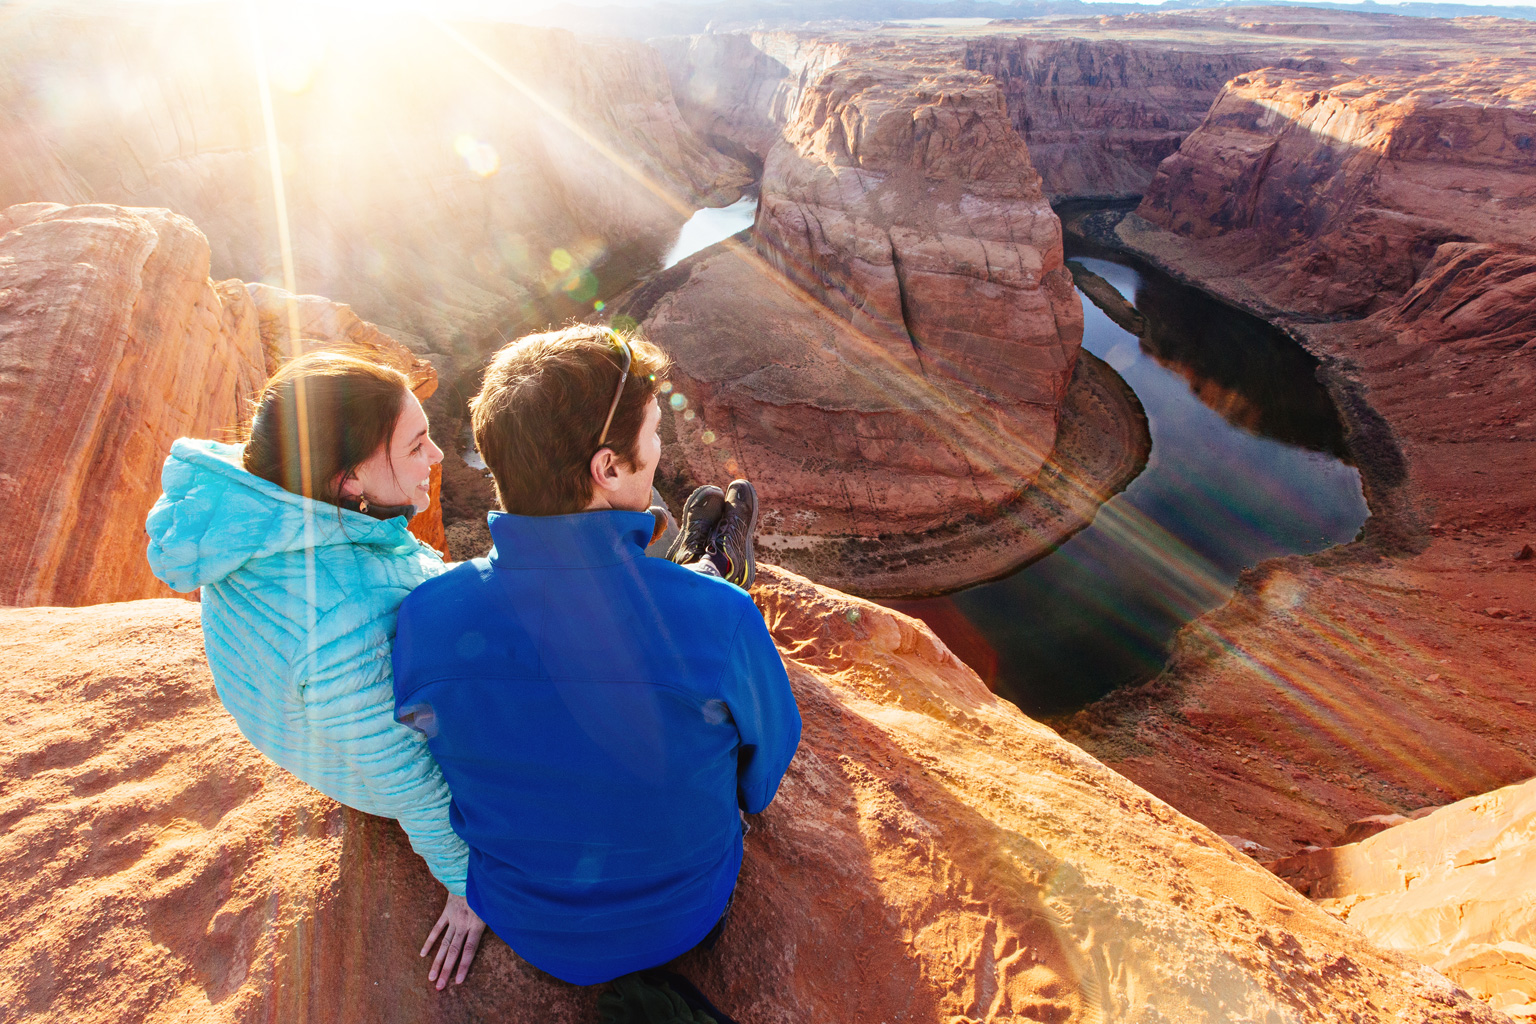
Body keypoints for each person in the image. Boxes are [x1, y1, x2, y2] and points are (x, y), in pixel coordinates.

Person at [391, 324, 801, 986]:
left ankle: (697, 557)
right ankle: (712, 563)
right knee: (691, 599)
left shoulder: (424, 618)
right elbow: (767, 761)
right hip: (685, 913)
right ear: (606, 468)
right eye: (653, 434)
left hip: (526, 923)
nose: (662, 444)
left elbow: (433, 752)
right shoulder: (720, 621)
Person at [144, 349, 486, 989]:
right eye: (416, 446)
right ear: (349, 481)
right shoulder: (339, 621)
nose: (437, 459)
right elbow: (406, 776)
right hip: (370, 768)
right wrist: (467, 887)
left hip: (326, 716)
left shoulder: (265, 505)